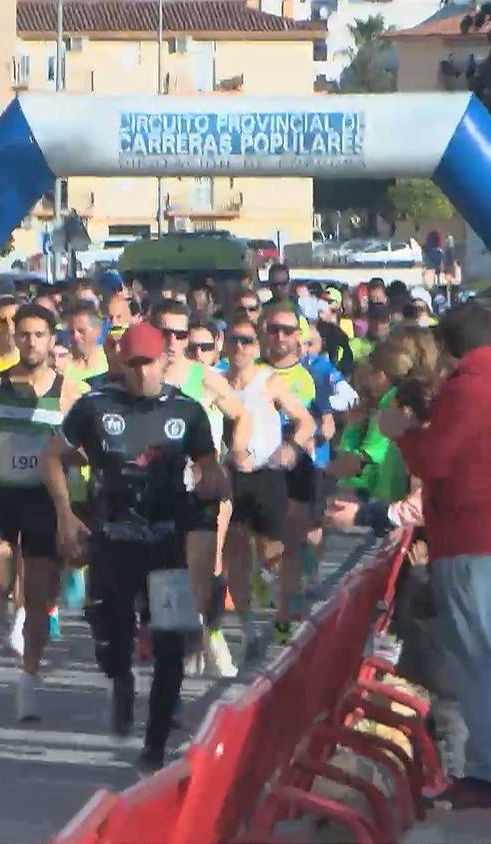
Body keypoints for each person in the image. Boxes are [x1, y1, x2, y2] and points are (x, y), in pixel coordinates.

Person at [42, 322, 227, 769]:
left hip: (167, 542)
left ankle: (155, 744)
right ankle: (121, 680)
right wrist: (66, 514)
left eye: (149, 363)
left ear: (165, 360)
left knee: (169, 644)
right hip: (112, 539)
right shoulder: (95, 405)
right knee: (111, 635)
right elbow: (51, 456)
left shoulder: (188, 411)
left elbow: (209, 465)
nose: (142, 372)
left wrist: (214, 480)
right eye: (134, 364)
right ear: (122, 363)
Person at [378, 301, 491, 809]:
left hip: (470, 536)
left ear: (449, 345)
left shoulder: (468, 389)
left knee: (476, 661)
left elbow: (436, 459)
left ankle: (489, 775)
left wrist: (403, 435)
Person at [0, 303, 87, 720]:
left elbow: (86, 448)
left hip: (45, 498)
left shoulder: (71, 392)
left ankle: (29, 677)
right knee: (1, 577)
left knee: (39, 595)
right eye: (24, 334)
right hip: (2, 494)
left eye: (39, 335)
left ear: (52, 339)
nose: (32, 342)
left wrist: (66, 460)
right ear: (13, 337)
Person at [153, 300, 250, 674]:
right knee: (165, 568)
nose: (173, 341)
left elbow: (240, 415)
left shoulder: (204, 377)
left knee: (203, 567)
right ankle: (189, 635)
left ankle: (206, 636)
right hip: (156, 487)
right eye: (165, 333)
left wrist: (236, 451)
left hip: (201, 486)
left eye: (180, 334)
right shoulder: (140, 375)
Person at [221, 314, 314, 665]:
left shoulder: (268, 381)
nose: (240, 347)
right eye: (234, 340)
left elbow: (306, 421)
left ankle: (283, 620)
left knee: (272, 555)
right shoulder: (217, 382)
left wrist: (290, 448)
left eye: (247, 341)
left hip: (267, 476)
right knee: (234, 555)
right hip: (231, 475)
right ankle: (249, 629)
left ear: (257, 346)